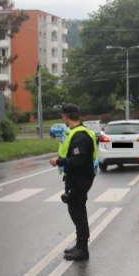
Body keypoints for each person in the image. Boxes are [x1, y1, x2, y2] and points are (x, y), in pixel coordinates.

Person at [49, 103, 98, 262]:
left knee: (78, 213)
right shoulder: (75, 133)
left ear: (65, 116)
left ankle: (83, 249)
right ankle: (79, 246)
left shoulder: (80, 136)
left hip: (80, 178)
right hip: (76, 178)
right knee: (75, 211)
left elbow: (77, 160)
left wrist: (59, 161)